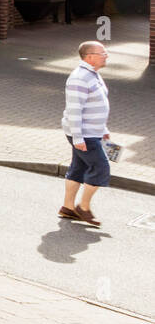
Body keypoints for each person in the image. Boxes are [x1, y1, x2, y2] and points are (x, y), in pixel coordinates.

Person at [60, 41, 111, 226]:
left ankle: (67, 208)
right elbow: (74, 110)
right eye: (102, 53)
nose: (106, 55)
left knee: (79, 168)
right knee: (101, 168)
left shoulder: (92, 75)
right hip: (84, 134)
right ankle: (83, 207)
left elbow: (95, 105)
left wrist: (103, 130)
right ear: (89, 56)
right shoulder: (79, 78)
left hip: (92, 132)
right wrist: (78, 138)